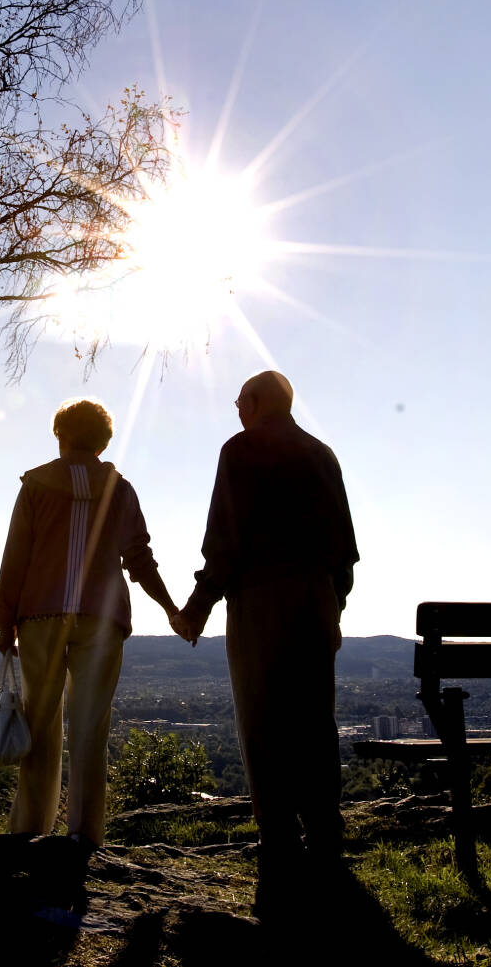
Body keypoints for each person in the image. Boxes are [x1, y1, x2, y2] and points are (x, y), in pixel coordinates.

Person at [171, 370, 358, 917]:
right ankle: (325, 831)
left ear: (255, 403)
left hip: (260, 600)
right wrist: (334, 609)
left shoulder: (240, 450)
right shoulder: (322, 453)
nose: (236, 410)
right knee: (314, 717)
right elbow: (344, 550)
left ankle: (278, 836)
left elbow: (224, 546)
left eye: (238, 402)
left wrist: (197, 608)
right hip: (315, 597)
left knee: (262, 717)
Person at [0, 397, 179, 864]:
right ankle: (85, 837)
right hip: (101, 617)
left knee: (39, 723)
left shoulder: (35, 485)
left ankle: (30, 831)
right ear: (104, 440)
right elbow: (138, 557)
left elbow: (17, 553)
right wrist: (172, 608)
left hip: (39, 618)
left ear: (60, 434)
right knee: (90, 728)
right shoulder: (120, 488)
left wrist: (5, 616)